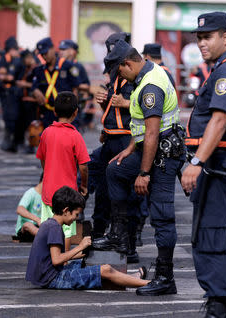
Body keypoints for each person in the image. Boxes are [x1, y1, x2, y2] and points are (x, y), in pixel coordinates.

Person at [92, 40, 185, 296]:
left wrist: (143, 174)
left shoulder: (150, 86)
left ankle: (165, 276)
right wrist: (130, 149)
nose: (118, 76)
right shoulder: (145, 75)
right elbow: (142, 126)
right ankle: (120, 235)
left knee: (162, 215)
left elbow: (153, 132)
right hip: (148, 148)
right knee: (115, 169)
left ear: (128, 63)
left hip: (163, 155)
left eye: (119, 71)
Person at [181, 12, 226, 317]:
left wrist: (197, 161)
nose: (201, 43)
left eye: (208, 37)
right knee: (223, 235)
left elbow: (220, 119)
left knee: (211, 235)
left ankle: (219, 306)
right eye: (199, 37)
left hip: (216, 164)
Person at [25, 185, 149, 290]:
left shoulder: (50, 223)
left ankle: (132, 278)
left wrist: (81, 253)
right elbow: (57, 260)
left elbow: (56, 257)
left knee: (89, 263)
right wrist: (80, 246)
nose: (77, 218)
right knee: (104, 270)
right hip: (53, 279)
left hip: (48, 276)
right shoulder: (54, 228)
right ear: (66, 210)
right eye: (76, 214)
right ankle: (148, 284)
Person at [90, 32, 141, 263]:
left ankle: (128, 246)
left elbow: (145, 106)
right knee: (102, 191)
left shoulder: (136, 76)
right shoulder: (114, 76)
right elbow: (112, 111)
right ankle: (98, 237)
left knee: (127, 195)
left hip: (126, 141)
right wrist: (104, 104)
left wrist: (126, 103)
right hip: (110, 139)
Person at [36, 91, 90, 251]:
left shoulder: (46, 133)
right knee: (66, 232)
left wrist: (48, 174)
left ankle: (49, 260)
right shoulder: (75, 136)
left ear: (54, 111)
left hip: (48, 191)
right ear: (76, 112)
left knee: (48, 227)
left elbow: (42, 158)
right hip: (68, 193)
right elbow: (83, 166)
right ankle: (63, 262)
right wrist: (84, 186)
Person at [32, 37, 80, 129]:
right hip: (47, 113)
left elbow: (75, 89)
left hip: (65, 115)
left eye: (46, 53)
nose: (44, 56)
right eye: (42, 55)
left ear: (53, 49)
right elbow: (33, 86)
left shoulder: (68, 66)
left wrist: (73, 110)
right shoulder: (39, 70)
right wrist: (35, 91)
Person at [0, 36, 23, 152]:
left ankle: (13, 142)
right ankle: (9, 141)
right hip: (7, 92)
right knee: (8, 117)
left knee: (13, 118)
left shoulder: (16, 60)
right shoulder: (6, 58)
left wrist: (6, 76)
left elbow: (8, 76)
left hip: (14, 93)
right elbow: (1, 74)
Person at [13, 173, 43, 242]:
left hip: (39, 227)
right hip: (25, 229)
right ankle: (45, 237)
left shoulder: (48, 196)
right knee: (28, 225)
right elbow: (20, 209)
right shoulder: (31, 193)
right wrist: (37, 219)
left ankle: (43, 235)